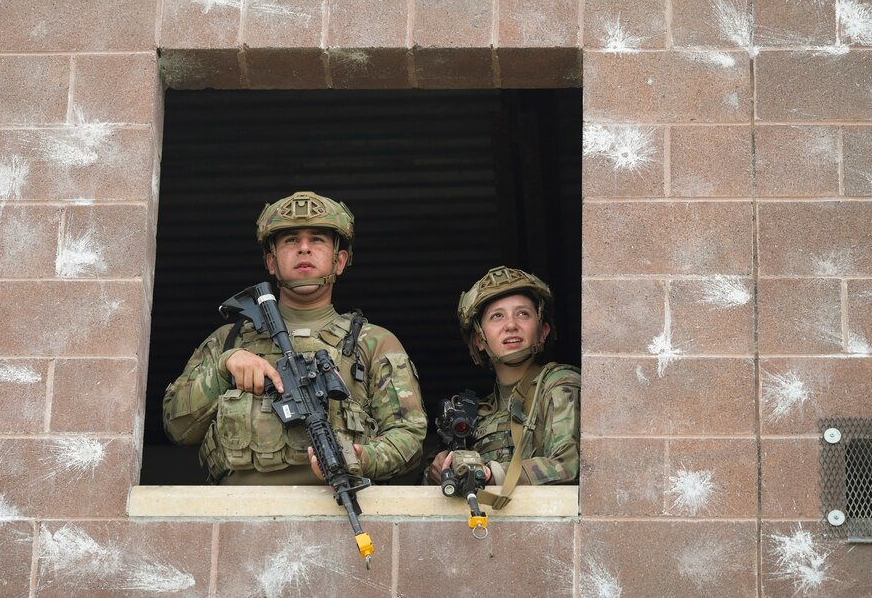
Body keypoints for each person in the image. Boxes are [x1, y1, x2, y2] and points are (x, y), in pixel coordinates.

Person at [163, 190, 427, 485]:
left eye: (317, 239)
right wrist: (225, 367)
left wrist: (361, 458)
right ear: (271, 262)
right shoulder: (229, 340)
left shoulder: (372, 342)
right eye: (290, 240)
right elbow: (177, 427)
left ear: (339, 262)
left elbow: (409, 438)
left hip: (336, 508)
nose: (304, 249)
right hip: (235, 515)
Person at [425, 266, 580, 501]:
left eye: (523, 314)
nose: (511, 325)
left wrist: (491, 474)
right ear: (479, 339)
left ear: (543, 331)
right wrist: (436, 472)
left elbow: (568, 465)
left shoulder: (558, 385)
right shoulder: (476, 414)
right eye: (497, 316)